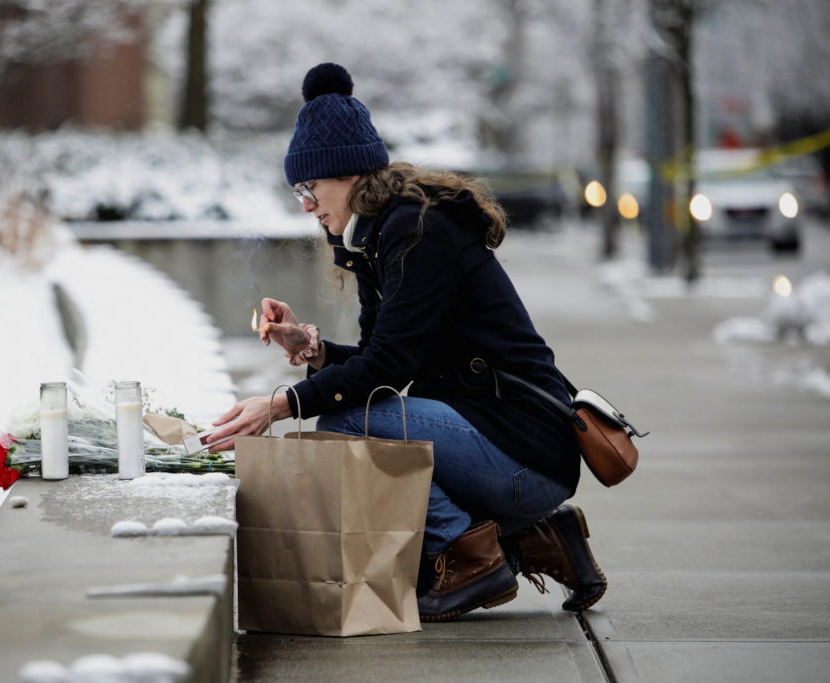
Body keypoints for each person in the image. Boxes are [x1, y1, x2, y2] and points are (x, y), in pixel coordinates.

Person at [205, 62, 606, 621]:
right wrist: (313, 349)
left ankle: (472, 556)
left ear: (346, 173)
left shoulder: (417, 231)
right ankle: (538, 536)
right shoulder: (381, 234)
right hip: (509, 447)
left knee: (346, 424)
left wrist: (280, 406)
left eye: (309, 187)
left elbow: (386, 371)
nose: (305, 204)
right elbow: (385, 363)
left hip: (524, 450)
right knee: (360, 424)